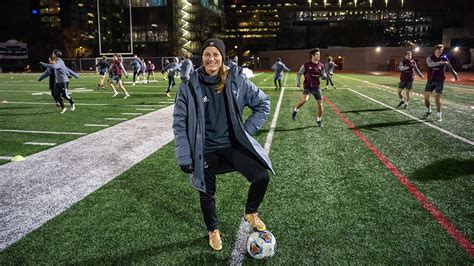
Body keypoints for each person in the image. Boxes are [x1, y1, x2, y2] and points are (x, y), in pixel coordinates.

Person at [173, 38, 273, 251]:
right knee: (206, 190)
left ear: (222, 57)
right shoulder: (189, 85)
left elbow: (263, 103)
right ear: (202, 58)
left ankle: (250, 212)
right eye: (207, 54)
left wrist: (246, 131)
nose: (211, 59)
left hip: (232, 145)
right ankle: (213, 230)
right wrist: (184, 156)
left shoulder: (235, 79)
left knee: (261, 176)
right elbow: (179, 123)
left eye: (216, 54)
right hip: (205, 149)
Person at [291, 48, 326, 127]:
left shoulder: (321, 65)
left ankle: (319, 120)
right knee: (304, 100)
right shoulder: (306, 65)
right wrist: (298, 82)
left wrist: (326, 76)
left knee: (320, 105)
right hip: (307, 87)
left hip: (317, 87)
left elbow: (323, 77)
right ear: (312, 55)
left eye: (319, 54)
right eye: (317, 54)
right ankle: (295, 109)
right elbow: (299, 74)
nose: (319, 56)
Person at [423, 44, 459, 121]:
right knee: (426, 99)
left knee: (437, 99)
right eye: (439, 50)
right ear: (435, 50)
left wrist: (455, 75)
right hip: (430, 80)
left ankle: (439, 115)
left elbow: (450, 68)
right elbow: (430, 64)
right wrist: (441, 63)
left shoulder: (445, 58)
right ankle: (429, 110)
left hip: (440, 81)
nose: (440, 51)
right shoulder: (430, 58)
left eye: (441, 50)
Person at [40, 49, 79, 114]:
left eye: (53, 53)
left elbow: (55, 67)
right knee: (56, 95)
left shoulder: (59, 61)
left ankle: (72, 103)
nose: (52, 54)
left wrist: (44, 64)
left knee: (65, 95)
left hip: (64, 81)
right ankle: (63, 108)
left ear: (55, 54)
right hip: (57, 82)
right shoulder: (56, 61)